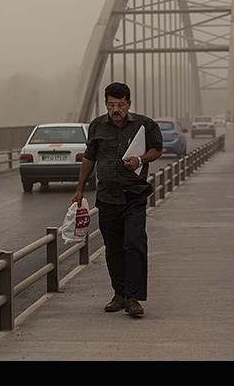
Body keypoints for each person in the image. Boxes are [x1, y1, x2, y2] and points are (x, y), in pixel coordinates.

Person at [71, 82, 163, 317]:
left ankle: (133, 298)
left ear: (129, 104)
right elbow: (89, 159)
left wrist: (140, 161)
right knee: (113, 248)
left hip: (134, 195)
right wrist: (80, 189)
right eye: (111, 104)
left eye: (120, 104)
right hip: (107, 196)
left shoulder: (144, 124)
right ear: (106, 104)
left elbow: (157, 149)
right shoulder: (96, 127)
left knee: (134, 243)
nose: (116, 109)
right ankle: (119, 294)